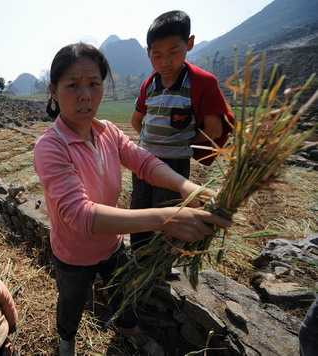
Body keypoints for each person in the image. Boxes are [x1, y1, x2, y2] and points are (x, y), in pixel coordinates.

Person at [33, 42, 231, 356]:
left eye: (94, 84)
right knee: (71, 302)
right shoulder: (50, 147)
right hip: (72, 254)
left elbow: (144, 162)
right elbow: (80, 215)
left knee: (122, 290)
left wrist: (186, 187)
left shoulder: (108, 132)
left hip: (111, 245)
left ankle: (130, 327)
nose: (86, 95)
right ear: (53, 91)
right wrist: (164, 219)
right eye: (72, 85)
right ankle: (66, 341)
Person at [130, 10, 234, 252]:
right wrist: (149, 143)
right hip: (143, 162)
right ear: (148, 54)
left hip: (174, 165)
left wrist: (178, 144)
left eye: (174, 52)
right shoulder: (150, 84)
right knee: (139, 210)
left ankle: (158, 270)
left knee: (168, 217)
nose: (165, 62)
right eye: (157, 55)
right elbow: (137, 121)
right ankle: (136, 258)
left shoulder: (200, 82)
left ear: (189, 44)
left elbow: (214, 129)